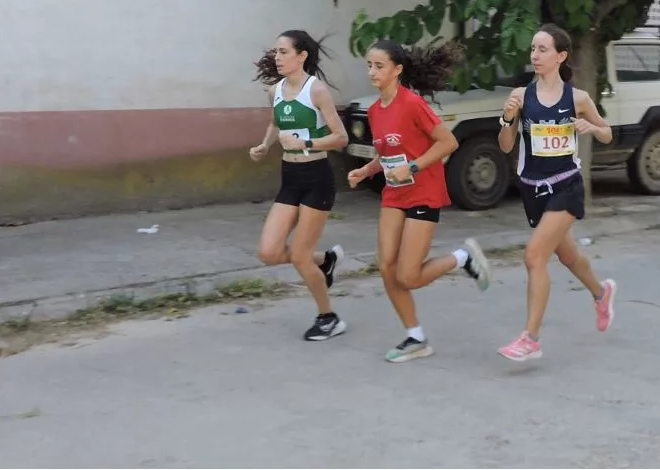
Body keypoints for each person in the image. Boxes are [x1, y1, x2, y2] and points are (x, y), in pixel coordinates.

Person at [347, 39, 492, 363]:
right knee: (386, 266)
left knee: (408, 276)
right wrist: (366, 170)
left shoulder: (412, 104)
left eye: (379, 65)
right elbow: (386, 155)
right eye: (369, 65)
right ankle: (416, 337)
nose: (372, 71)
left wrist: (412, 166)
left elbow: (448, 142)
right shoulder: (373, 110)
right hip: (395, 194)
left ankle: (463, 258)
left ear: (397, 70)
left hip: (424, 191)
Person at [495, 24, 617, 362]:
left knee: (534, 256)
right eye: (533, 48)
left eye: (543, 49)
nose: (535, 55)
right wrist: (507, 119)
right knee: (567, 256)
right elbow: (506, 146)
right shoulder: (521, 96)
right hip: (532, 188)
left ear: (560, 56)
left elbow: (607, 134)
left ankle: (530, 338)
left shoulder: (577, 98)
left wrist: (592, 127)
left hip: (566, 185)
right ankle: (601, 292)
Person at [250, 30, 351, 341]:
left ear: (301, 56)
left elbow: (341, 137)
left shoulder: (316, 91)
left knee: (299, 257)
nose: (276, 58)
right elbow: (276, 123)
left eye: (283, 52)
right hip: (289, 179)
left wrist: (305, 140)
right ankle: (327, 260)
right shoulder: (275, 91)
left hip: (317, 179)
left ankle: (328, 317)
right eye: (275, 52)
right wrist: (265, 145)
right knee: (268, 252)